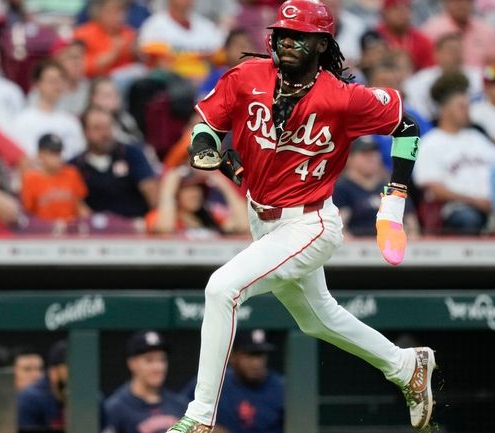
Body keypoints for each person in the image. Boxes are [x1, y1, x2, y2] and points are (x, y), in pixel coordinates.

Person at [167, 2, 435, 432]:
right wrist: (211, 150)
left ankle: (198, 420)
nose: (288, 41)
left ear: (322, 44)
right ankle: (406, 366)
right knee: (317, 319)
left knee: (222, 289)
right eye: (282, 34)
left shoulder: (343, 96)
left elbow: (407, 128)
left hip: (310, 222)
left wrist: (396, 199)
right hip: (262, 217)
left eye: (300, 36)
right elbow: (206, 124)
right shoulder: (247, 76)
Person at [412, 71, 495, 234]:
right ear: (444, 109)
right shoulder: (430, 143)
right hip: (454, 209)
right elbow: (434, 190)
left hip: (491, 206)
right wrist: (475, 201)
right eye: (462, 106)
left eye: (468, 106)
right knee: (468, 219)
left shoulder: (478, 137)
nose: (468, 111)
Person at [183, 329, 284, 433]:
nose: (256, 363)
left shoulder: (282, 388)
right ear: (232, 356)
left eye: (261, 355)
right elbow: (179, 414)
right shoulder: (214, 382)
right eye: (249, 355)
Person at [69, 106, 159, 219]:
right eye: (97, 128)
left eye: (107, 127)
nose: (104, 133)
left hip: (135, 224)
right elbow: (76, 204)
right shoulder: (75, 165)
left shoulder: (131, 153)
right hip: (94, 229)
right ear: (85, 132)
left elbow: (151, 190)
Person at [101, 331, 187, 433]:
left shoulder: (180, 405)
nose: (158, 367)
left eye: (162, 360)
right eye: (149, 360)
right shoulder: (115, 409)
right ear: (132, 363)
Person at [334, 137, 420, 237]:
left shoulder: (391, 188)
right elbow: (339, 228)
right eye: (364, 154)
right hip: (358, 246)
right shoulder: (341, 188)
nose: (371, 158)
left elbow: (412, 224)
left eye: (374, 153)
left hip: (390, 245)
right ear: (349, 158)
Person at [12, 60, 85, 160]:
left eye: (60, 81)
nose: (57, 86)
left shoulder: (71, 121)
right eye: (51, 81)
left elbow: (78, 154)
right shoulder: (23, 121)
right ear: (37, 85)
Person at [147, 166, 249, 236]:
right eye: (188, 189)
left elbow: (244, 226)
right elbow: (165, 230)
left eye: (198, 188)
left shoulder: (212, 217)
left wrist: (226, 187)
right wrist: (168, 189)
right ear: (175, 194)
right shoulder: (158, 216)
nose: (195, 194)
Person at [138, 0, 224, 82]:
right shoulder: (154, 25)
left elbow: (219, 56)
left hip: (206, 79)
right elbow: (155, 61)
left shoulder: (206, 26)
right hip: (170, 81)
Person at [21, 133, 90, 223]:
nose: (57, 157)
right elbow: (28, 212)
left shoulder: (71, 173)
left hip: (71, 229)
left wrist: (90, 221)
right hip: (44, 231)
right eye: (52, 153)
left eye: (59, 152)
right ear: (40, 154)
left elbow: (79, 205)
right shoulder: (30, 178)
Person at [421, 0, 495, 68]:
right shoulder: (432, 30)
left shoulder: (487, 31)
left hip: (480, 82)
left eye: (466, 1)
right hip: (442, 81)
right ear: (446, 3)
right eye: (457, 1)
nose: (461, 5)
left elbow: (494, 64)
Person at [74, 0, 138, 78]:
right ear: (99, 12)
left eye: (121, 11)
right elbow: (84, 67)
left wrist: (136, 52)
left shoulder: (129, 33)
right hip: (95, 81)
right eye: (112, 12)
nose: (119, 17)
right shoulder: (83, 34)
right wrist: (113, 54)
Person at [18, 340, 68, 431]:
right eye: (27, 369)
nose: (35, 375)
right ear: (54, 372)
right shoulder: (30, 398)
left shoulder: (93, 398)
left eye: (39, 369)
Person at [376, 0, 435, 71]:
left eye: (406, 8)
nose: (402, 13)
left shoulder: (421, 40)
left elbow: (431, 70)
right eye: (396, 9)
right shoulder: (375, 36)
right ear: (385, 12)